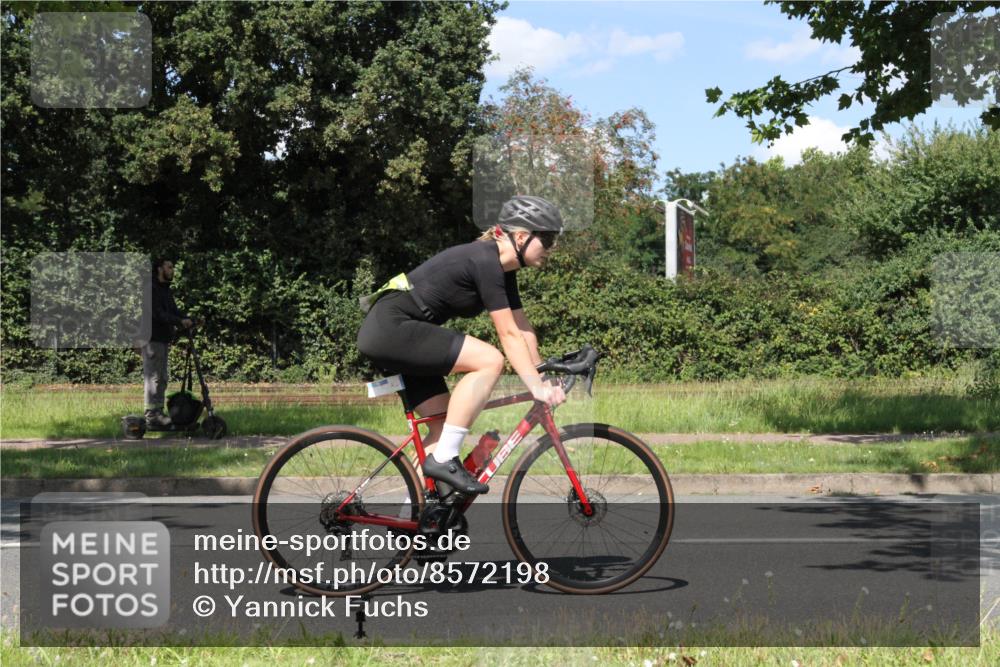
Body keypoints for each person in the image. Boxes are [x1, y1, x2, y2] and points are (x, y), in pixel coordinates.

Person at [356, 195, 567, 495]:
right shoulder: (485, 260)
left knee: (443, 429)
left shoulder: (504, 272)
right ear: (521, 237)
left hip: (400, 331)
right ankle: (444, 460)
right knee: (491, 360)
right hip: (392, 328)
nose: (551, 247)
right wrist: (535, 387)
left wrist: (543, 377)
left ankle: (415, 518)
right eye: (546, 238)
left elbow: (522, 329)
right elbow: (507, 335)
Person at [143, 258, 193, 429]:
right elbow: (158, 314)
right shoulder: (151, 288)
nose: (172, 270)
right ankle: (151, 416)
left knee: (162, 378)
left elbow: (173, 312)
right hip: (152, 338)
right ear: (159, 269)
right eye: (169, 267)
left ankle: (159, 412)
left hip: (163, 338)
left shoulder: (165, 290)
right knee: (154, 378)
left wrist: (188, 319)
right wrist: (180, 322)